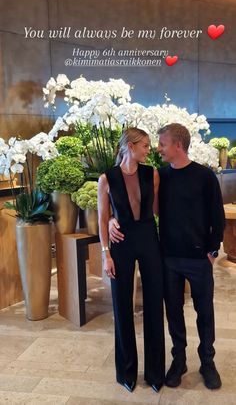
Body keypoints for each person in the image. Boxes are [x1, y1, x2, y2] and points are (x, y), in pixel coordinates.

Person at [109, 123, 225, 391]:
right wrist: (112, 220)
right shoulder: (157, 175)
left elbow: (217, 217)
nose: (158, 149)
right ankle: (179, 360)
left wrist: (212, 251)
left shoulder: (205, 177)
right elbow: (134, 202)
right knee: (173, 313)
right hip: (168, 258)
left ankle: (207, 362)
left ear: (178, 146)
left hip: (199, 259)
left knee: (204, 312)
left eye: (162, 144)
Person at [98, 127, 165, 393]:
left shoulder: (153, 174)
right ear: (131, 146)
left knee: (153, 305)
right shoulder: (107, 178)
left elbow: (158, 209)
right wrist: (106, 255)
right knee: (122, 306)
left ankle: (155, 373)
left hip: (149, 238)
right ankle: (126, 372)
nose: (150, 150)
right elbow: (102, 219)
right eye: (146, 145)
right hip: (121, 243)